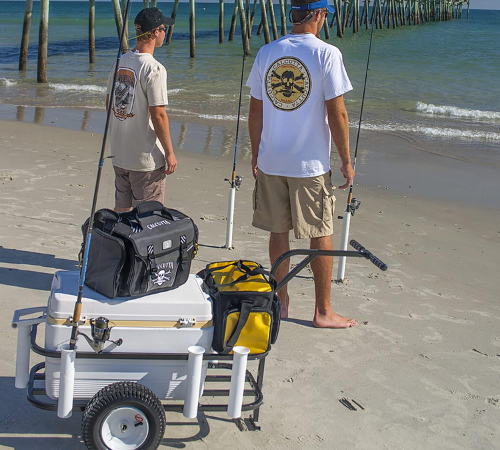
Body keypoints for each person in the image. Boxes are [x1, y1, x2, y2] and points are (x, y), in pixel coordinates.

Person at [246, 0, 356, 328]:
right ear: (319, 15)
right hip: (308, 164)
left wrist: (256, 153)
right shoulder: (327, 54)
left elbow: (255, 110)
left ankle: (281, 301)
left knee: (279, 231)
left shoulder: (267, 52)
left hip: (271, 159)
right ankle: (323, 311)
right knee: (319, 232)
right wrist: (347, 160)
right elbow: (337, 114)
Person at [106, 7, 177, 213]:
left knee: (122, 212)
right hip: (146, 160)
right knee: (148, 218)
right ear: (156, 32)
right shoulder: (154, 68)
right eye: (164, 29)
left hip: (119, 155)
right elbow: (159, 115)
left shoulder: (119, 62)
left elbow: (110, 103)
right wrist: (170, 153)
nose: (165, 33)